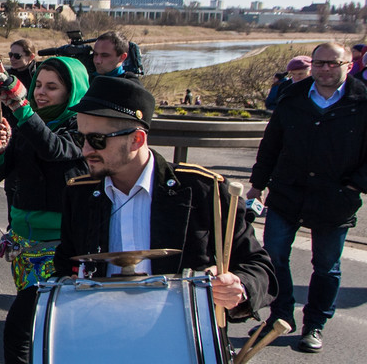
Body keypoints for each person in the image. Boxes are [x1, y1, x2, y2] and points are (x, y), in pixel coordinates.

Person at [54, 77, 275, 327]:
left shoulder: (204, 191)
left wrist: (240, 286)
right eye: (80, 137)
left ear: (137, 139)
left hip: (182, 331)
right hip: (104, 328)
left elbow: (260, 267)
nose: (85, 150)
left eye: (96, 140)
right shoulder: (79, 194)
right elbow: (66, 264)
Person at [247, 42, 367, 353]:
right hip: (288, 193)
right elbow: (271, 144)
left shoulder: (362, 101)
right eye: (320, 63)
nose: (326, 69)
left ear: (348, 65)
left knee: (326, 266)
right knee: (273, 258)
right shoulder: (293, 97)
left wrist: (354, 186)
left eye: (333, 63)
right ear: (311, 64)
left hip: (335, 199)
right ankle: (280, 316)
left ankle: (315, 324)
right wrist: (257, 184)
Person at [0, 57, 89, 364]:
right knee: (41, 328)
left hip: (60, 246)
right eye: (38, 85)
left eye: (52, 87)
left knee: (19, 331)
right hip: (23, 243)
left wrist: (21, 106)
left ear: (72, 91)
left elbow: (53, 148)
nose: (41, 93)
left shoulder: (81, 126)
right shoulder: (25, 121)